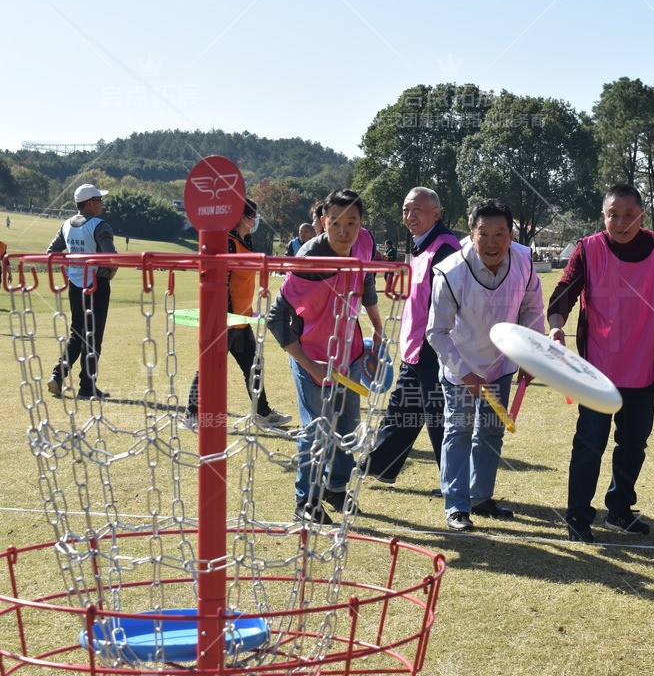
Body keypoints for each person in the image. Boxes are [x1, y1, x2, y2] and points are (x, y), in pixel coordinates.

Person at [548, 184, 654, 543]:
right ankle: (578, 516)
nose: (621, 222)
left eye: (629, 215)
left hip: (643, 370)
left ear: (642, 215)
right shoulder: (588, 250)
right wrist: (556, 329)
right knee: (589, 444)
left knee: (634, 444)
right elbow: (564, 293)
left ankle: (619, 509)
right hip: (595, 371)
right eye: (613, 215)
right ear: (603, 216)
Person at [267, 189, 384, 525]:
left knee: (348, 426)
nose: (344, 230)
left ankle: (335, 487)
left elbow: (368, 280)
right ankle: (305, 501)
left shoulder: (364, 241)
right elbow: (277, 319)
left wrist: (376, 326)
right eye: (335, 222)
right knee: (317, 427)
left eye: (352, 222)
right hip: (311, 353)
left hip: (348, 351)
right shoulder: (308, 261)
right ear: (322, 221)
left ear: (362, 223)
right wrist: (309, 363)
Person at [427, 200, 544, 532]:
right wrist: (465, 373)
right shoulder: (450, 272)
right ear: (471, 232)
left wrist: (530, 355)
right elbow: (436, 332)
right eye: (484, 234)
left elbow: (532, 308)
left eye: (500, 234)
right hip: (460, 367)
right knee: (459, 431)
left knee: (491, 432)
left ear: (511, 235)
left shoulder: (523, 260)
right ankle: (457, 507)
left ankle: (481, 497)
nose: (492, 242)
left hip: (501, 365)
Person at [363, 188, 460, 486]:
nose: (410, 215)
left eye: (417, 209)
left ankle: (457, 487)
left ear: (436, 213)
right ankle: (377, 467)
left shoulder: (445, 247)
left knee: (440, 419)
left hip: (435, 350)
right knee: (400, 412)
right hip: (414, 350)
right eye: (406, 209)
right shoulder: (421, 246)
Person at [183, 199, 291, 431]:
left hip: (241, 318)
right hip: (226, 318)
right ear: (243, 217)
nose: (256, 220)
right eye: (253, 216)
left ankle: (263, 413)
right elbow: (221, 280)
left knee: (253, 366)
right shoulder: (227, 242)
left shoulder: (246, 240)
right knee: (209, 366)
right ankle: (191, 414)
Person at [46, 184, 117, 400]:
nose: (101, 203)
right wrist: (110, 271)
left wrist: (71, 266)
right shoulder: (100, 225)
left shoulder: (66, 225)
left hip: (75, 285)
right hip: (97, 284)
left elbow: (52, 252)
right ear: (89, 203)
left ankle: (58, 375)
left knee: (77, 333)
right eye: (99, 199)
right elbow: (110, 256)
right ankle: (87, 387)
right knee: (93, 337)